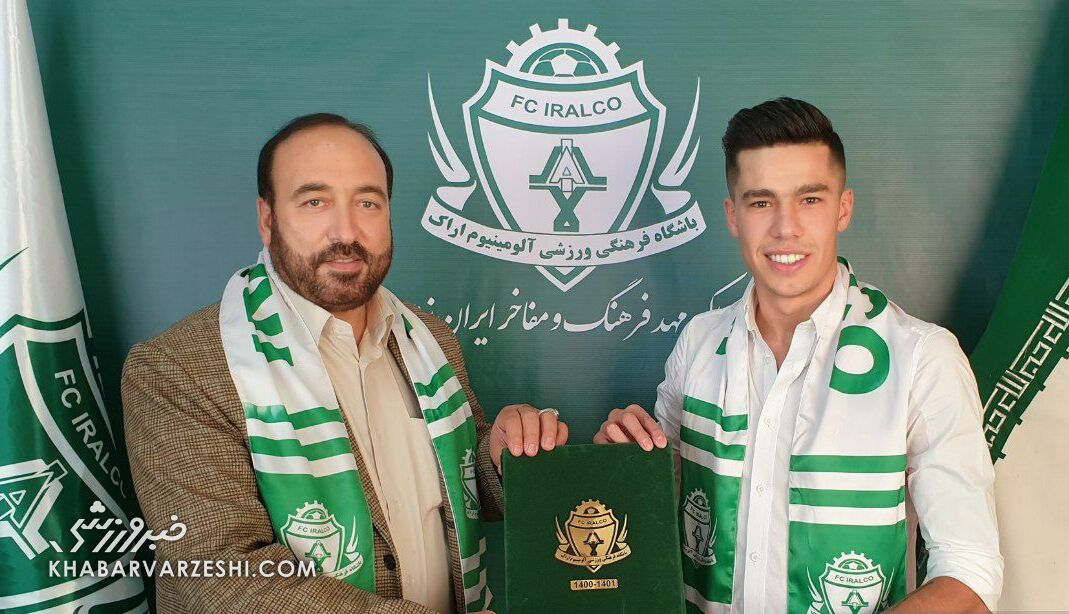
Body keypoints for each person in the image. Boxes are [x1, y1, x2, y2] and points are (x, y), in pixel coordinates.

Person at [121, 113, 566, 613]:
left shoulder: (428, 339)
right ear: (268, 219)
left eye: (367, 202)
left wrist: (500, 460)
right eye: (315, 201)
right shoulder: (178, 369)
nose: (346, 231)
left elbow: (458, 490)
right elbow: (221, 578)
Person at [594, 98, 1002, 613]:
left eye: (809, 199)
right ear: (733, 216)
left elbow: (970, 571)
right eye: (761, 202)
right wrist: (621, 465)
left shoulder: (923, 357)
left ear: (843, 209)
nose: (785, 227)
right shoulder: (697, 344)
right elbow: (651, 521)